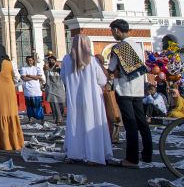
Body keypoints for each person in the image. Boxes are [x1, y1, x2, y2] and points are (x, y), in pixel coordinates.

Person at [108, 19, 152, 167]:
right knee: (142, 122)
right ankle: (147, 154)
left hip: (125, 89)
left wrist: (115, 72)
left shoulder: (119, 48)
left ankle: (131, 159)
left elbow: (111, 68)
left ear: (117, 30)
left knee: (130, 124)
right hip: (138, 89)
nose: (113, 34)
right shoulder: (138, 45)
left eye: (113, 31)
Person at [61, 34, 112, 165]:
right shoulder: (92, 60)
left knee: (76, 125)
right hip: (92, 99)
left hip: (75, 97)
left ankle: (75, 153)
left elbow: (63, 78)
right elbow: (102, 80)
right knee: (92, 124)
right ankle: (94, 156)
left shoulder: (67, 60)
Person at [0, 44, 24, 151]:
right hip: (9, 93)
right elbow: (17, 79)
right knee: (10, 114)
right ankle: (13, 142)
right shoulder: (11, 63)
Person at [20, 55, 45, 123]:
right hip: (28, 90)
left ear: (33, 61)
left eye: (31, 60)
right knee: (29, 106)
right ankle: (30, 118)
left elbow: (39, 77)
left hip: (36, 90)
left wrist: (29, 76)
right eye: (28, 60)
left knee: (38, 105)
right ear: (26, 61)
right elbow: (23, 78)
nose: (29, 62)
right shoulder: (23, 68)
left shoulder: (37, 68)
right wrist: (34, 77)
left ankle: (41, 118)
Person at [45, 56, 65, 126]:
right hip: (51, 89)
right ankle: (58, 119)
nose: (51, 61)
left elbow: (63, 73)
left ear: (55, 61)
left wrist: (59, 68)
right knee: (55, 105)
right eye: (50, 60)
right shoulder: (47, 68)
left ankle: (60, 117)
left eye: (53, 60)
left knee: (62, 104)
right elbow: (45, 71)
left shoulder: (58, 68)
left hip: (59, 89)